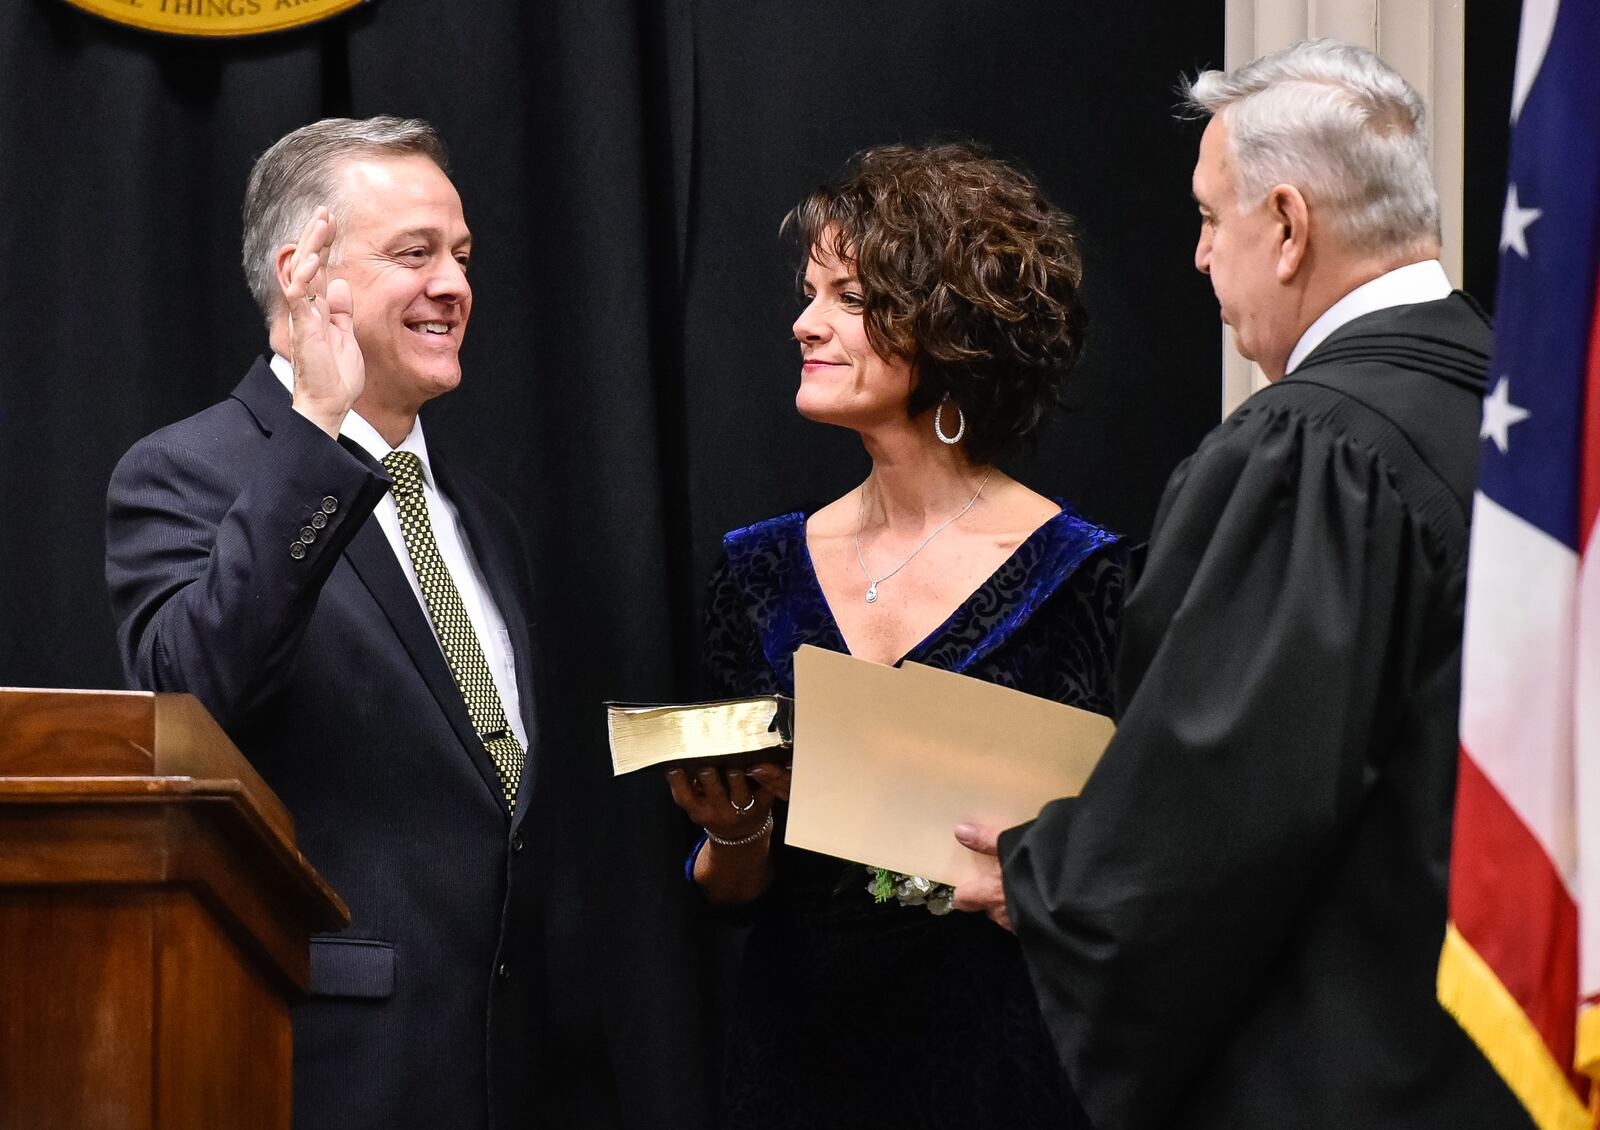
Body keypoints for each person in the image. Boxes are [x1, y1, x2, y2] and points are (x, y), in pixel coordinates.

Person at [952, 40, 1535, 1129]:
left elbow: (1219, 803)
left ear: (1286, 222)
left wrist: (1041, 877)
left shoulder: (1312, 451)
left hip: (1354, 1075)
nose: (1197, 258)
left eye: (1210, 219)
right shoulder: (1530, 433)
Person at [665, 143, 1123, 1130]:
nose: (804, 321)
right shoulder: (755, 569)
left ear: (947, 324)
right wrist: (733, 825)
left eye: (847, 296)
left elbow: (1132, 874)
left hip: (1002, 1070)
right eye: (807, 291)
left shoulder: (1086, 576)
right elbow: (730, 887)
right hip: (795, 1072)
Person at [107, 117, 554, 1129]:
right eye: (414, 253)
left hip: (506, 1069)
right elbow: (195, 696)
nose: (454, 284)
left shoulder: (484, 518)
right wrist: (315, 426)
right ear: (305, 277)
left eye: (462, 255)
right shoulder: (183, 473)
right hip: (326, 1072)